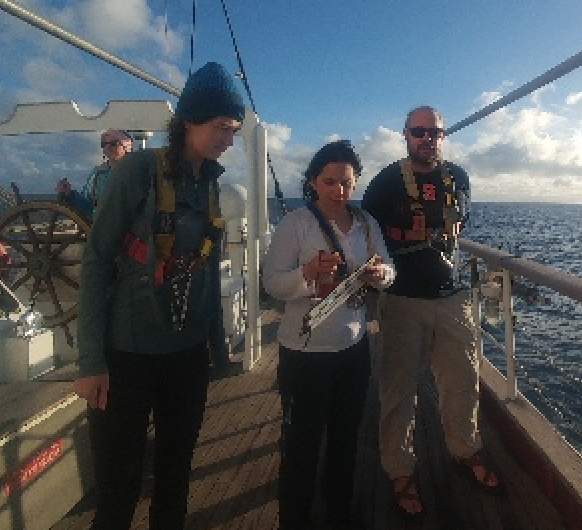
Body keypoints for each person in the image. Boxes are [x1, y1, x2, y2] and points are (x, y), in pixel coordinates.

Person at [74, 61, 244, 530]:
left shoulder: (210, 183)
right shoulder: (136, 171)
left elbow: (207, 270)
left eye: (233, 131)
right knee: (119, 488)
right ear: (188, 120)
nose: (228, 139)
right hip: (127, 356)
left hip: (187, 358)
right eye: (221, 127)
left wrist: (216, 349)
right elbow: (96, 261)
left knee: (175, 479)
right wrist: (91, 362)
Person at [361, 105, 500, 518]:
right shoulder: (386, 182)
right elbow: (366, 231)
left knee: (461, 380)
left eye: (435, 132)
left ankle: (466, 449)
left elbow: (461, 223)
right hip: (402, 299)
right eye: (419, 132)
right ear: (405, 134)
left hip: (451, 297)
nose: (428, 138)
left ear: (443, 135)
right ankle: (400, 470)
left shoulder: (458, 177)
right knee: (399, 390)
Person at [263, 140, 395, 530]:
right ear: (313, 183)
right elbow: (271, 284)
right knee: (300, 446)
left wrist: (379, 275)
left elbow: (389, 269)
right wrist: (308, 274)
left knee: (345, 440)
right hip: (304, 354)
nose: (339, 191)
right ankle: (294, 520)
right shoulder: (295, 224)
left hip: (353, 349)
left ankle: (339, 513)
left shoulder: (368, 224)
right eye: (330, 181)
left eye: (347, 182)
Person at [56, 129, 132, 220]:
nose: (107, 147)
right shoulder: (97, 174)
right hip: (103, 229)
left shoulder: (137, 173)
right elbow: (88, 207)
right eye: (104, 144)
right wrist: (69, 194)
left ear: (127, 147)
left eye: (113, 144)